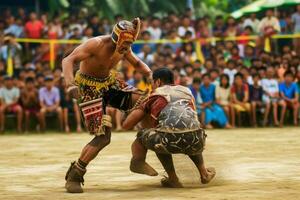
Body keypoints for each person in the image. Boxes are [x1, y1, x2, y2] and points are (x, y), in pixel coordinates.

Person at [62, 18, 152, 193]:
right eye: (124, 43)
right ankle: (75, 174)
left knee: (145, 104)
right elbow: (68, 60)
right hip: (88, 88)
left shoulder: (125, 47)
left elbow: (137, 63)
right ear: (116, 38)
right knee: (103, 137)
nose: (126, 47)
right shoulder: (95, 44)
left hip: (110, 83)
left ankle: (139, 158)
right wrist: (70, 85)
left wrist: (149, 74)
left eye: (129, 43)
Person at [122, 68, 215, 188]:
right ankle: (204, 173)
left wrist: (140, 104)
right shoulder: (187, 91)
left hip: (167, 140)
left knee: (152, 135)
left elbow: (127, 125)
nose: (152, 85)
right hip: (198, 139)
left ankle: (172, 178)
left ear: (158, 82)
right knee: (188, 130)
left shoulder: (154, 94)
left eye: (152, 82)